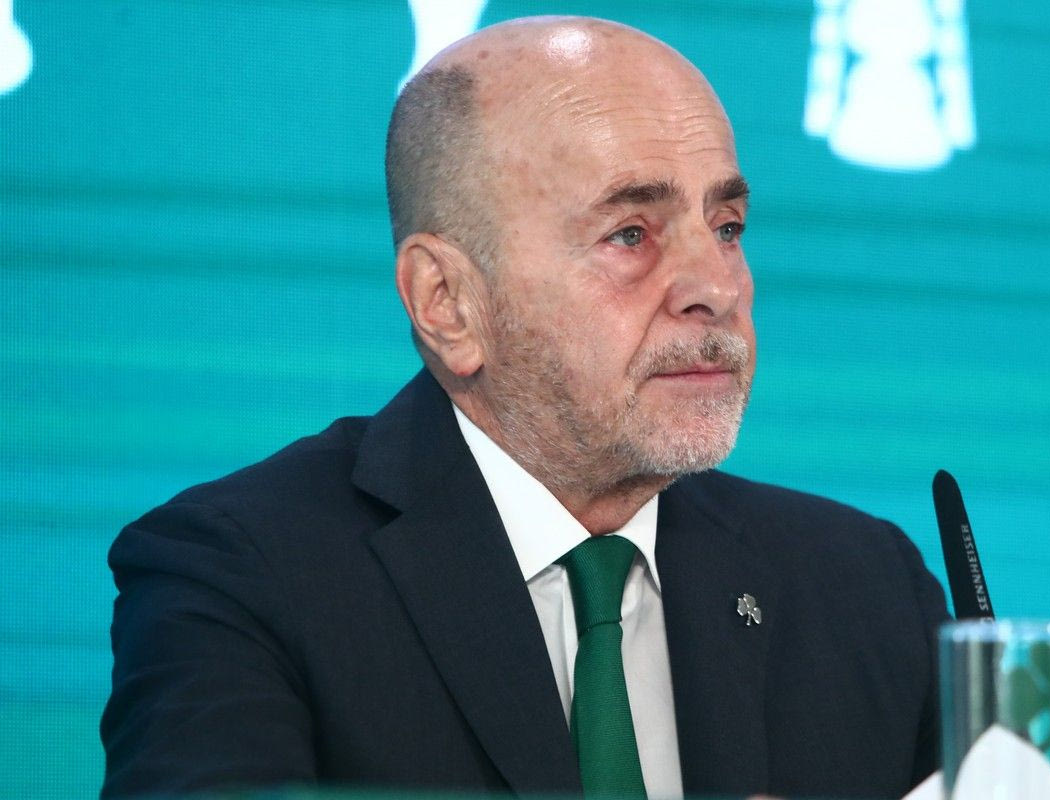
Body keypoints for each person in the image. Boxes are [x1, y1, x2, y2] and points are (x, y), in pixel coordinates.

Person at [101, 16, 949, 800]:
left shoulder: (866, 586)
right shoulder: (240, 574)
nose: (716, 288)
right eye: (631, 234)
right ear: (447, 303)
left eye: (725, 227)